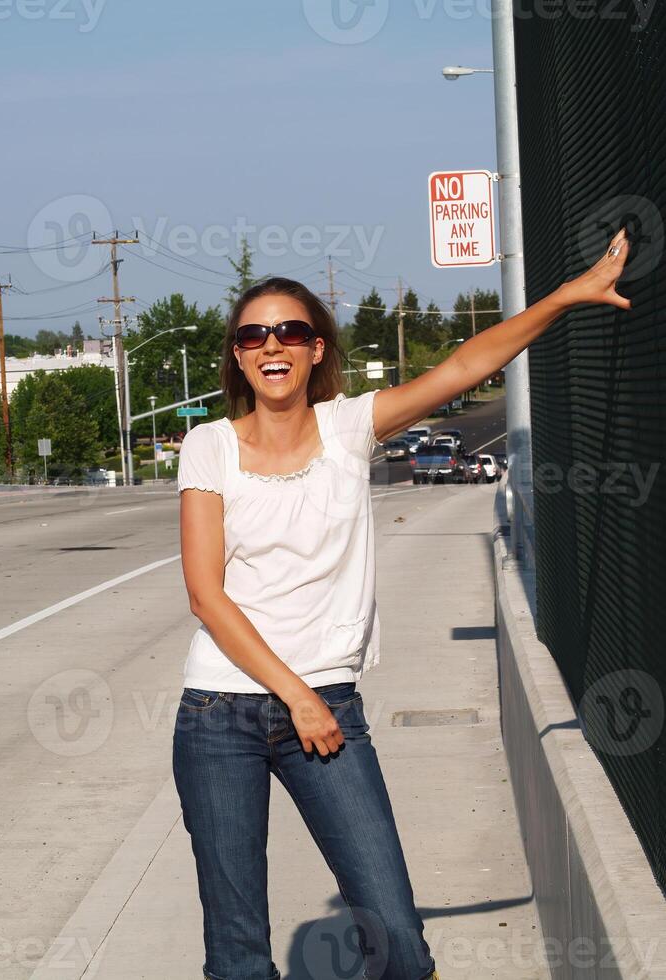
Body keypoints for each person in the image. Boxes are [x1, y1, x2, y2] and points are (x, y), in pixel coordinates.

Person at [173, 229, 630, 980]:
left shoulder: (348, 428)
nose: (271, 345)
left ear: (317, 347)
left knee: (395, 938)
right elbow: (205, 594)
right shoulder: (209, 446)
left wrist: (566, 295)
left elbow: (465, 363)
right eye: (252, 335)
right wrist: (295, 696)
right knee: (237, 951)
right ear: (236, 354)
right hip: (219, 716)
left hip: (325, 707)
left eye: (290, 330)